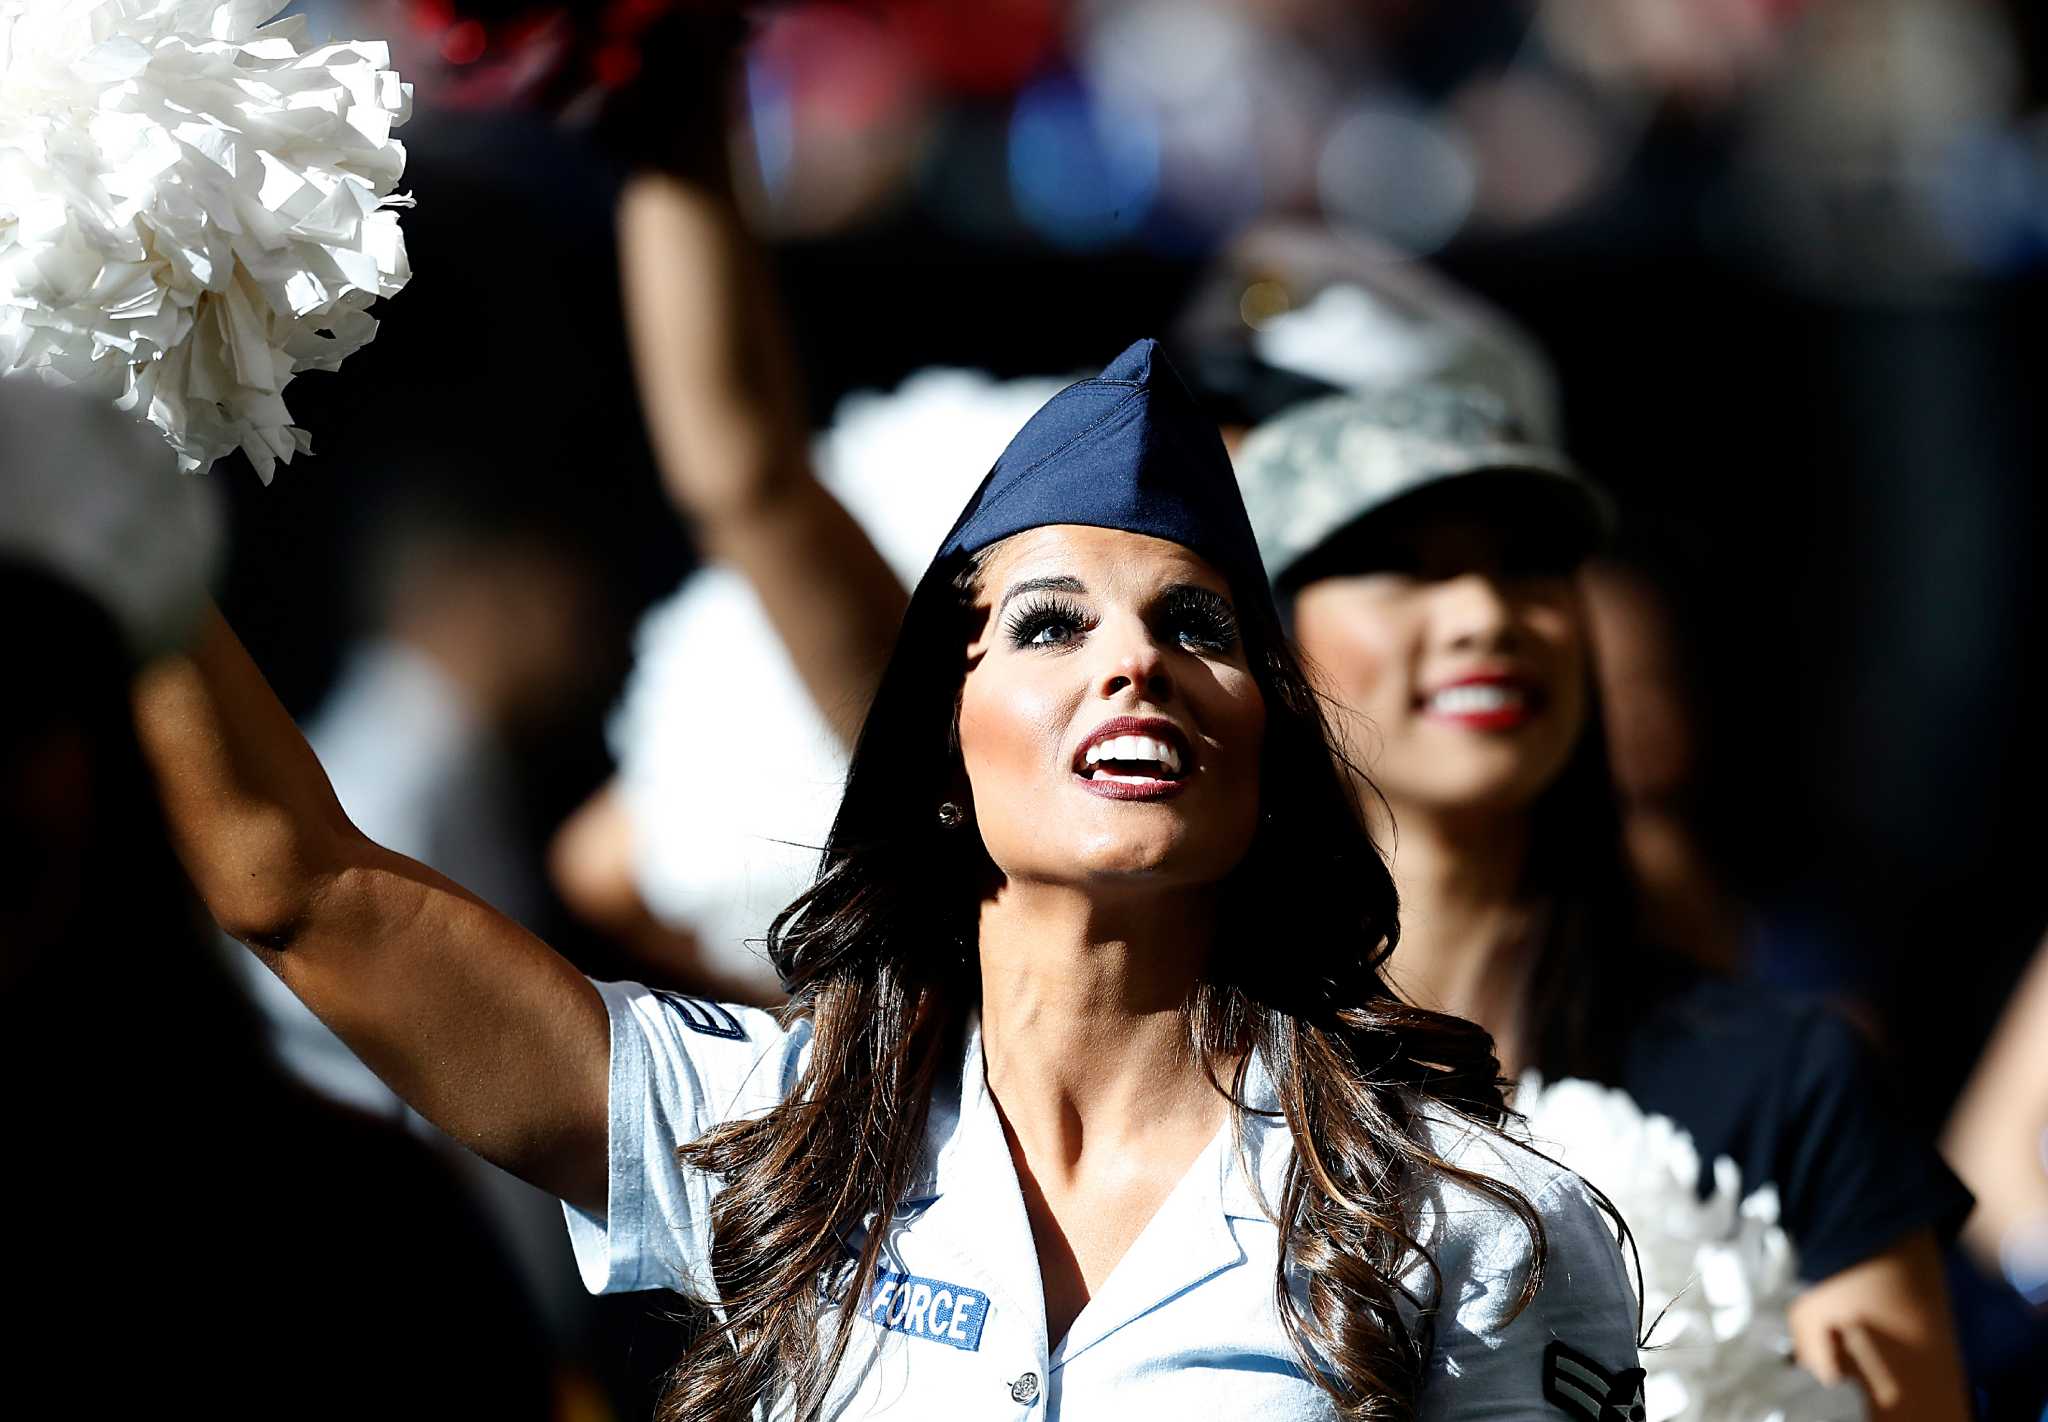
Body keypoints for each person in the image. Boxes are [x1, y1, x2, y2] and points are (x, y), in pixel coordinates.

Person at [134, 339, 1641, 1419]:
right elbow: (305, 891)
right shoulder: (775, 1139)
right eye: (1052, 626)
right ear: (941, 746)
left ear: (1267, 747)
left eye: (1200, 625)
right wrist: (111, 505)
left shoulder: (1477, 1224)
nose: (1134, 658)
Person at [1234, 381, 1975, 1419]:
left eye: (1527, 564)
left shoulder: (1787, 1087)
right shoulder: (1193, 1085)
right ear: (1268, 646)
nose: (1484, 615)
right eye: (1398, 564)